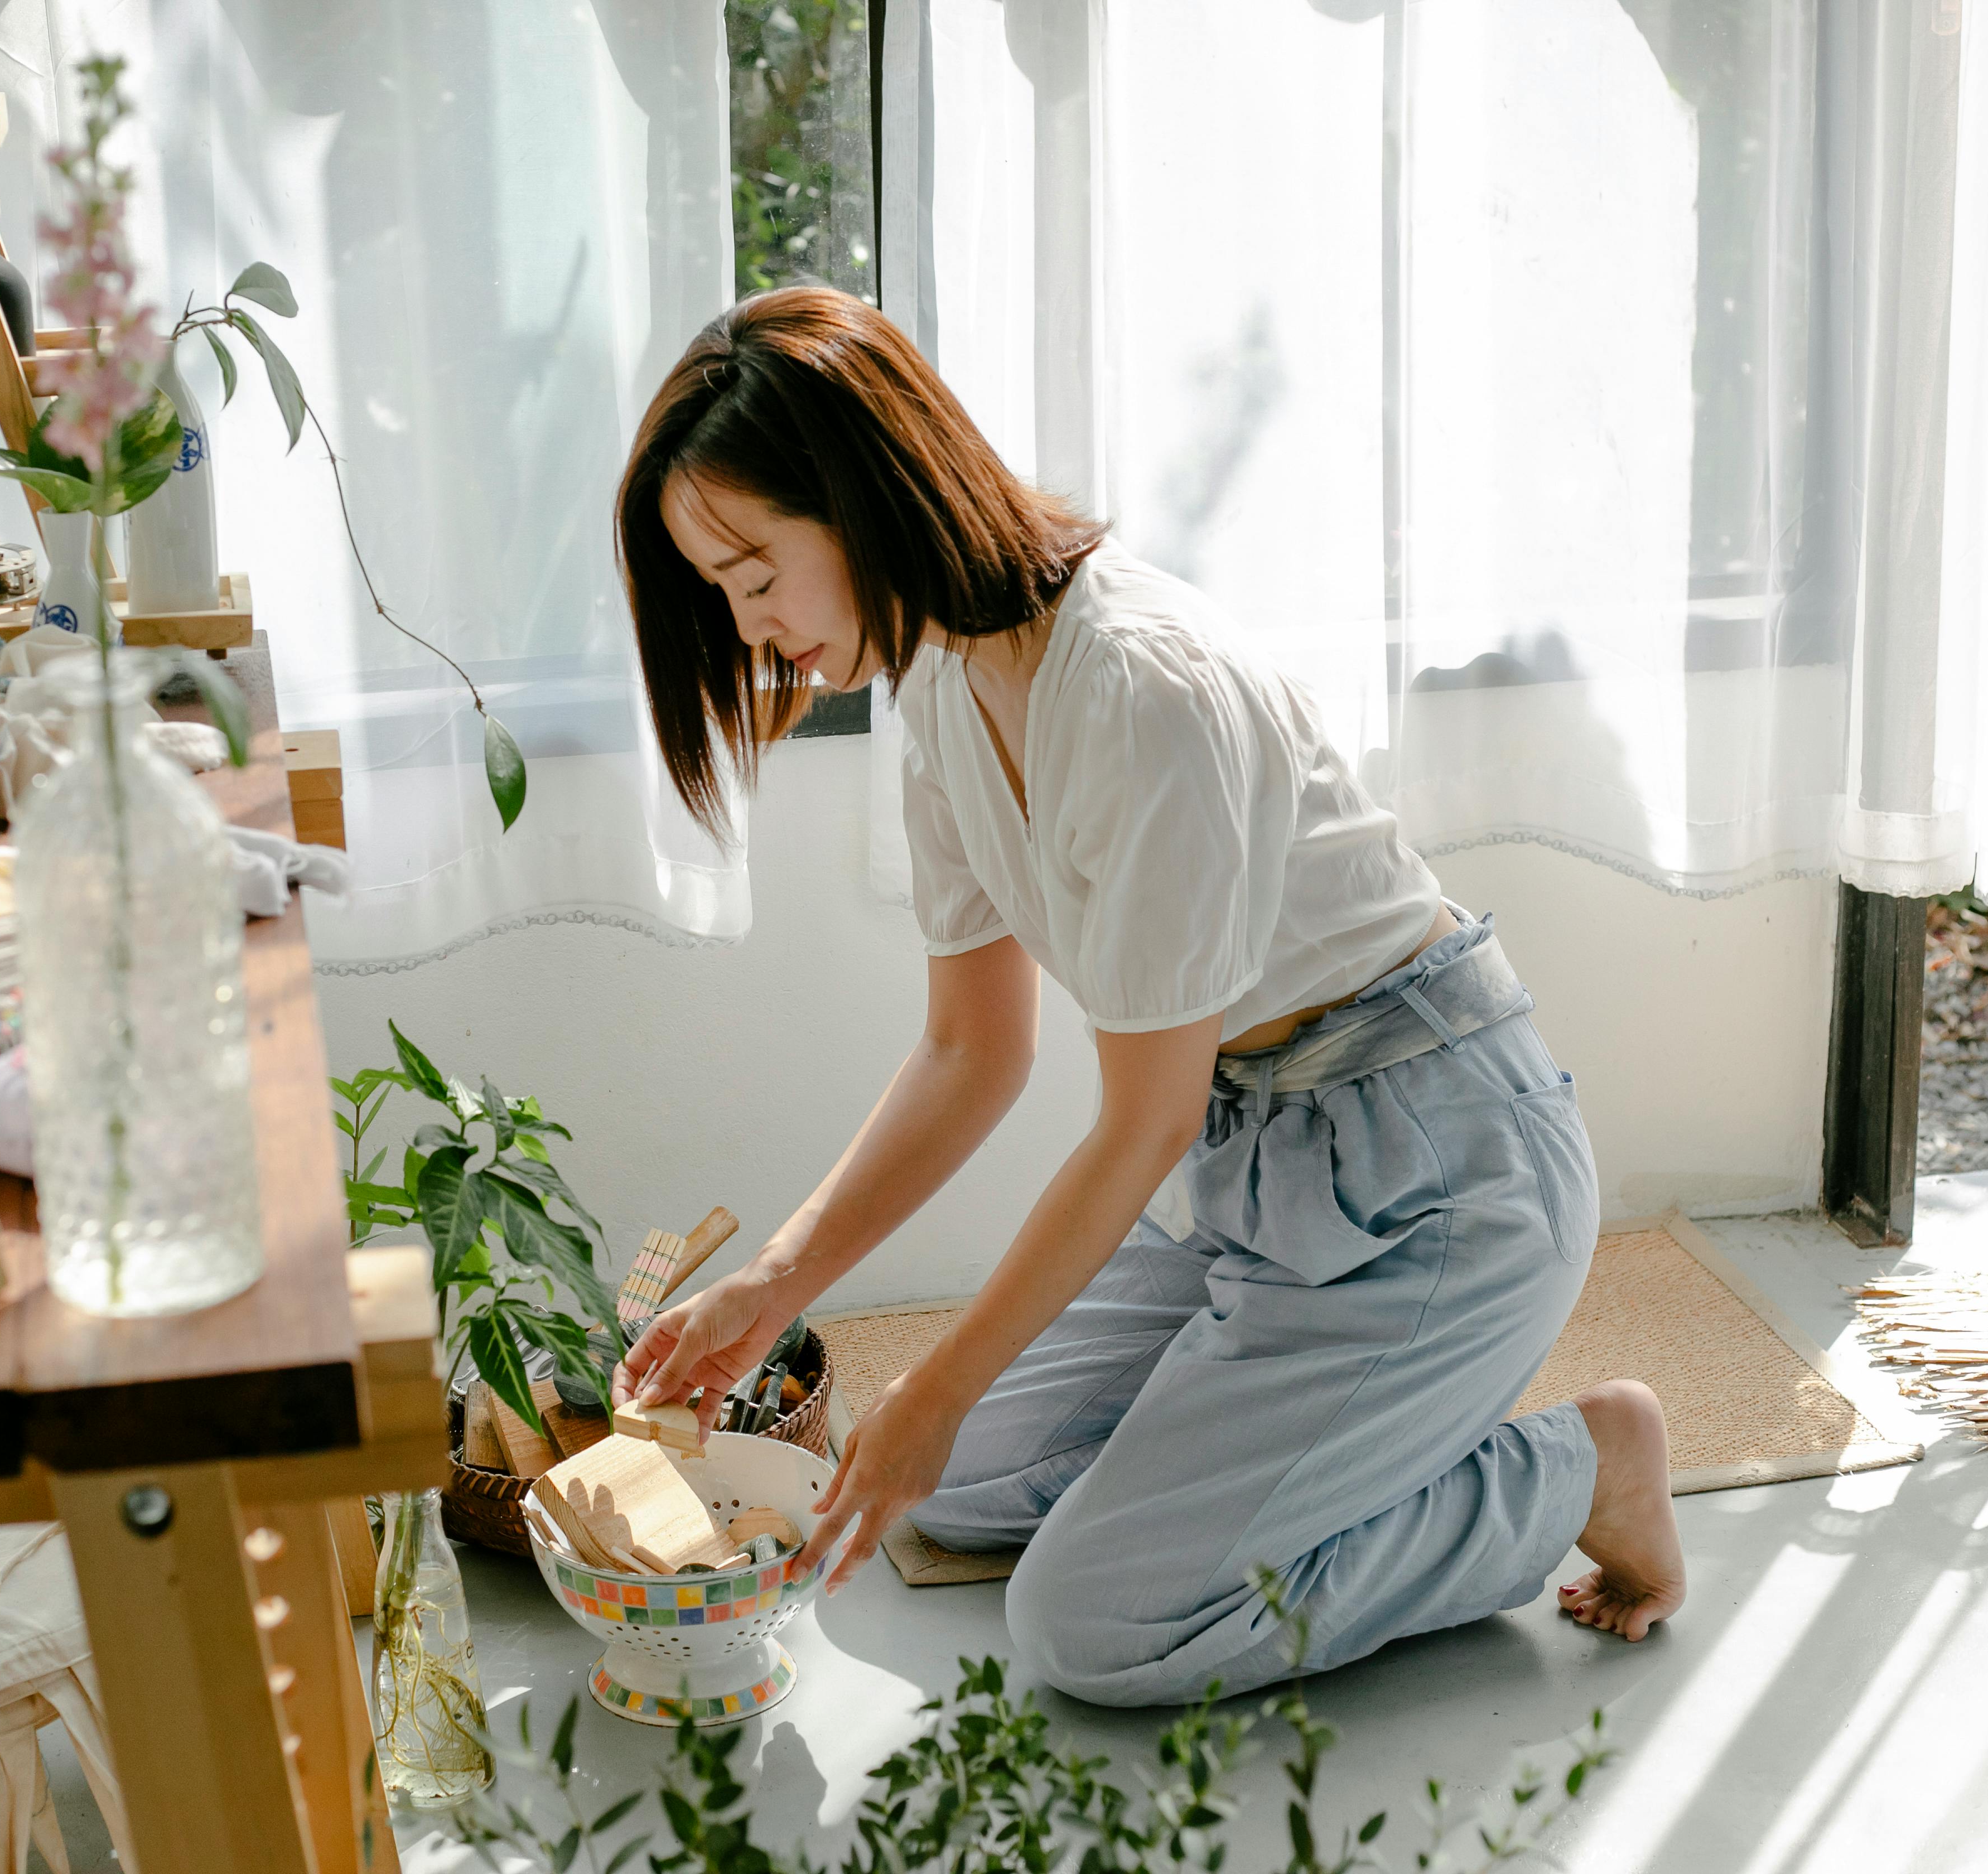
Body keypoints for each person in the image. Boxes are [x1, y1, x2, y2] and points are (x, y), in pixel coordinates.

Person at [608, 286, 1683, 1706]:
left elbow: (1141, 1123)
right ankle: (1260, 1416)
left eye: (756, 577)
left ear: (864, 492)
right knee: (943, 1482)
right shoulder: (938, 679)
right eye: (725, 598)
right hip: (1255, 1184)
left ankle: (1579, 1467)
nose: (754, 633)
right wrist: (776, 1278)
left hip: (1442, 1187)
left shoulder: (1143, 695)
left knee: (1096, 1627)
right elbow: (969, 1050)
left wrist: (938, 1388)